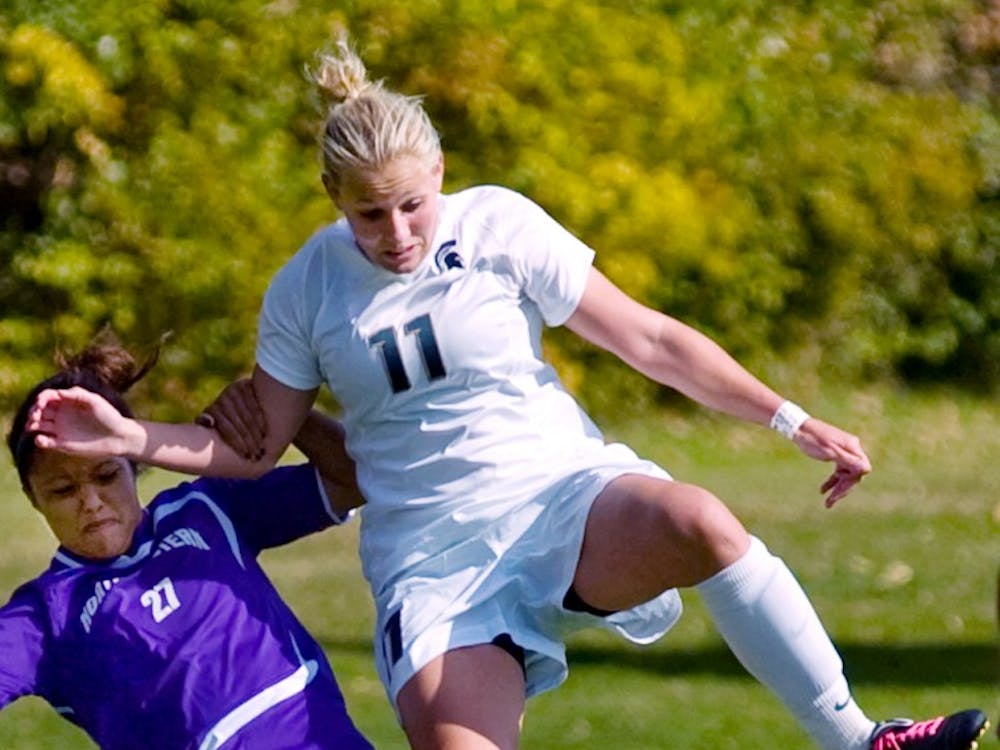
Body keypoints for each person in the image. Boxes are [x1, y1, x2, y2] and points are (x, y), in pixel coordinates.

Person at [24, 35, 989, 750]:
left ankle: (859, 738)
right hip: (429, 562)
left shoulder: (498, 226)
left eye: (413, 204)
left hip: (557, 497)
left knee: (701, 521)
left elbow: (651, 339)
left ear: (441, 174)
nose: (399, 233)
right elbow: (251, 449)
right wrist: (129, 436)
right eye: (369, 215)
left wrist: (789, 416)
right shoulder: (305, 288)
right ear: (332, 200)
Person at [3, 332, 373, 750]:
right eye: (63, 491)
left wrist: (282, 412)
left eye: (106, 476)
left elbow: (353, 479)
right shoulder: (47, 613)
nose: (90, 502)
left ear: (133, 462)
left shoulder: (207, 509)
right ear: (34, 499)